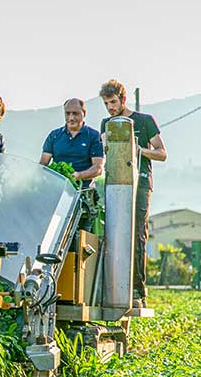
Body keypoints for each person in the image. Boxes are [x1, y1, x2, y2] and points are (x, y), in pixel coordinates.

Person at [99, 79, 167, 308]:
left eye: (113, 102)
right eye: (107, 103)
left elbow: (162, 153)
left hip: (141, 182)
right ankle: (113, 287)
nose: (110, 107)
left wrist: (139, 150)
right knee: (113, 233)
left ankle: (138, 290)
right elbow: (105, 150)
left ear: (123, 99)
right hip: (116, 183)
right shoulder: (106, 123)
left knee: (138, 233)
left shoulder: (145, 121)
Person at [40, 98, 103, 231]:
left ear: (83, 113)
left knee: (80, 236)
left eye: (75, 113)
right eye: (68, 113)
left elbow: (98, 168)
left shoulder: (93, 136)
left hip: (83, 195)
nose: (71, 117)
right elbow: (43, 165)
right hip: (57, 193)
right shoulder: (54, 136)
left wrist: (79, 175)